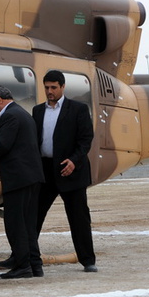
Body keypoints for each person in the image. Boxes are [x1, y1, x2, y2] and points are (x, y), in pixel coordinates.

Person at [32, 70, 97, 272]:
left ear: (62, 87)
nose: (49, 91)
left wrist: (74, 161)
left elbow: (85, 139)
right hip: (45, 171)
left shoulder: (78, 109)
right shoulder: (37, 111)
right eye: (46, 87)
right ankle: (25, 256)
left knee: (79, 218)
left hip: (71, 170)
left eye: (53, 87)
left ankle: (88, 260)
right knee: (33, 216)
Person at [0, 85, 44, 279]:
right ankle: (34, 264)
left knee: (16, 224)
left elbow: (3, 145)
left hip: (18, 179)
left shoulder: (10, 116)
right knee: (28, 224)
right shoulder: (22, 113)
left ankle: (23, 266)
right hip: (31, 177)